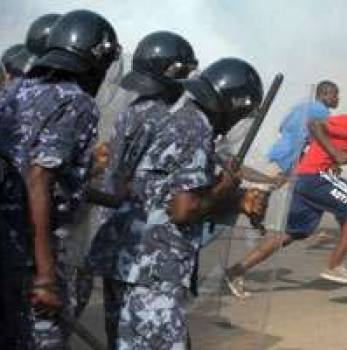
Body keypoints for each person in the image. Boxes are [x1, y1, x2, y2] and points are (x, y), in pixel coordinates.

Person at [95, 57, 263, 349]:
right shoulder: (195, 127)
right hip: (155, 267)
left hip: (122, 255)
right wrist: (225, 190)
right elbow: (183, 210)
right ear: (235, 105)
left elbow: (142, 184)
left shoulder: (155, 112)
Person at [0, 9, 121, 349]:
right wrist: (45, 276)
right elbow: (38, 178)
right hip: (31, 252)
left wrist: (117, 199)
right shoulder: (76, 102)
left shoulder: (15, 90)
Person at [86, 30, 198, 349]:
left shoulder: (131, 111)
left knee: (122, 339)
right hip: (152, 257)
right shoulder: (181, 120)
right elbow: (183, 201)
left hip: (118, 248)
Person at [225, 97, 347, 294]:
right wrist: (334, 152)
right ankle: (334, 266)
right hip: (315, 175)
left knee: (288, 234)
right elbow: (313, 124)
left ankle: (237, 270)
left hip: (306, 180)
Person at [267, 80, 339, 176]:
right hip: (290, 159)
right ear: (324, 95)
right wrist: (333, 163)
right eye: (334, 95)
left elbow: (282, 127)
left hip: (277, 152)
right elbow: (322, 142)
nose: (337, 99)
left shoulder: (301, 106)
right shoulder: (323, 112)